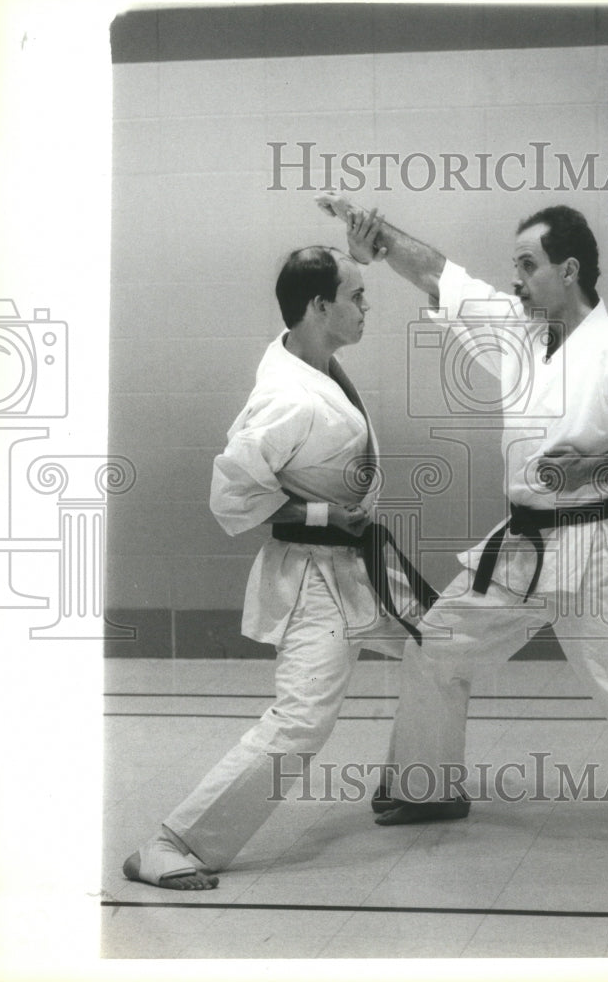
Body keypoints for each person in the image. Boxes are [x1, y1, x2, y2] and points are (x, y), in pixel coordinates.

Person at [316, 191, 608, 847]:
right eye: (515, 267)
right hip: (520, 544)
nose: (517, 281)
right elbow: (439, 272)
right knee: (434, 646)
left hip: (587, 545)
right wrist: (378, 238)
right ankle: (426, 789)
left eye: (528, 265)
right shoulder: (516, 333)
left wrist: (592, 470)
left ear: (569, 270)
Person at [123, 241, 436, 889]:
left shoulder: (311, 361)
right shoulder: (285, 396)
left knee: (438, 650)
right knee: (301, 721)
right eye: (355, 296)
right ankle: (171, 844)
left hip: (356, 565)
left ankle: (421, 785)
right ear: (317, 306)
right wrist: (325, 517)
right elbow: (231, 495)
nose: (365, 307)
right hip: (314, 577)